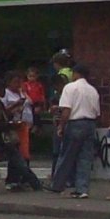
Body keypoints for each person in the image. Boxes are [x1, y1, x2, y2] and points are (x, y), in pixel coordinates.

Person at [45, 64, 100, 199]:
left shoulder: (70, 87)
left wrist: (61, 126)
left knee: (66, 155)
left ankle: (57, 185)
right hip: (90, 123)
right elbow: (97, 112)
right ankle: (82, 189)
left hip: (75, 123)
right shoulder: (93, 90)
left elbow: (66, 110)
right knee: (85, 158)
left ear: (76, 74)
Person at [0, 77, 41, 191]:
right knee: (18, 160)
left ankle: (13, 181)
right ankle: (35, 184)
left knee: (14, 160)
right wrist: (12, 125)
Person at [2, 71, 33, 189]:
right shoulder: (6, 94)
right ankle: (12, 179)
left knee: (25, 153)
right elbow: (3, 111)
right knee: (15, 153)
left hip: (24, 125)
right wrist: (15, 105)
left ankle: (24, 179)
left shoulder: (21, 93)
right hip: (13, 126)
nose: (17, 85)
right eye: (15, 82)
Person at [23, 66, 46, 134]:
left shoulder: (39, 85)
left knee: (36, 115)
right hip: (28, 104)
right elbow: (24, 92)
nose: (32, 78)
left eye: (33, 76)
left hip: (37, 103)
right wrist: (28, 98)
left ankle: (37, 127)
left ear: (37, 76)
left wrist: (43, 104)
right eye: (30, 76)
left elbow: (42, 95)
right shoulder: (25, 84)